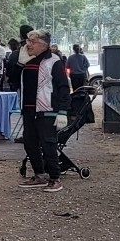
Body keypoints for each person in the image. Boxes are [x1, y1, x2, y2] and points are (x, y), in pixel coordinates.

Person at [17, 30, 71, 192]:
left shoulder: (54, 61)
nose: (28, 44)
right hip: (28, 108)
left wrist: (63, 112)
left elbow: (63, 88)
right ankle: (39, 175)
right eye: (28, 41)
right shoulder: (27, 60)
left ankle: (55, 178)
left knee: (48, 143)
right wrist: (20, 63)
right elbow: (13, 79)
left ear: (43, 45)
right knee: (29, 143)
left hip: (47, 109)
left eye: (32, 41)